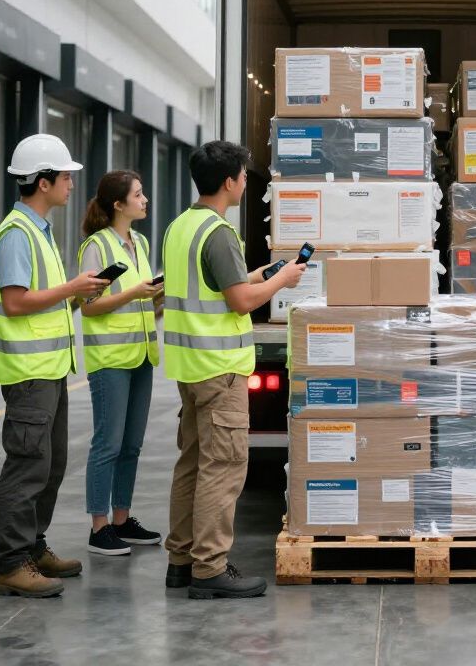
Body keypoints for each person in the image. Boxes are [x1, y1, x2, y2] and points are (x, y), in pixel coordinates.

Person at [162, 140, 307, 599]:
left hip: (191, 367)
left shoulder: (181, 226)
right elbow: (239, 302)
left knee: (191, 465)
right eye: (244, 176)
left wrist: (258, 274)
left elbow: (217, 285)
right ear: (229, 182)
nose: (247, 182)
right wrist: (282, 281)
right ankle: (210, 569)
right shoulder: (219, 233)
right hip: (220, 369)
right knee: (222, 469)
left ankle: (181, 562)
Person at [0, 134, 109, 598]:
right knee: (27, 466)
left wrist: (79, 295)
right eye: (65, 176)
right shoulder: (17, 235)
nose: (72, 184)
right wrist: (70, 288)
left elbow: (46, 305)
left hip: (50, 368)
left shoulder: (40, 233)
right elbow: (16, 303)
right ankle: (12, 564)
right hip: (28, 373)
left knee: (51, 464)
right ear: (43, 182)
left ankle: (34, 548)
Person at [78, 171, 164, 557]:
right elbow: (90, 306)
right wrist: (133, 293)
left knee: (132, 445)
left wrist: (158, 297)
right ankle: (98, 528)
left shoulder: (140, 242)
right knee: (107, 444)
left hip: (141, 355)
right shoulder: (95, 247)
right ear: (118, 204)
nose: (144, 200)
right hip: (110, 360)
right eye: (138, 194)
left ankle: (121, 519)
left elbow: (143, 302)